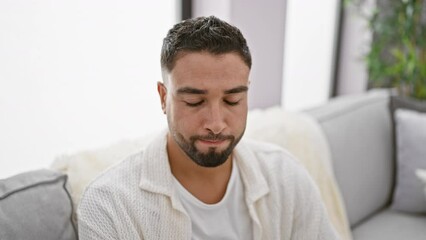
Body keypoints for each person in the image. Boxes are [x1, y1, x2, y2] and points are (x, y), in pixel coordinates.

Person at [78, 16, 338, 240]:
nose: (215, 123)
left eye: (232, 100)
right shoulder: (108, 206)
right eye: (195, 101)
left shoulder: (286, 178)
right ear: (162, 97)